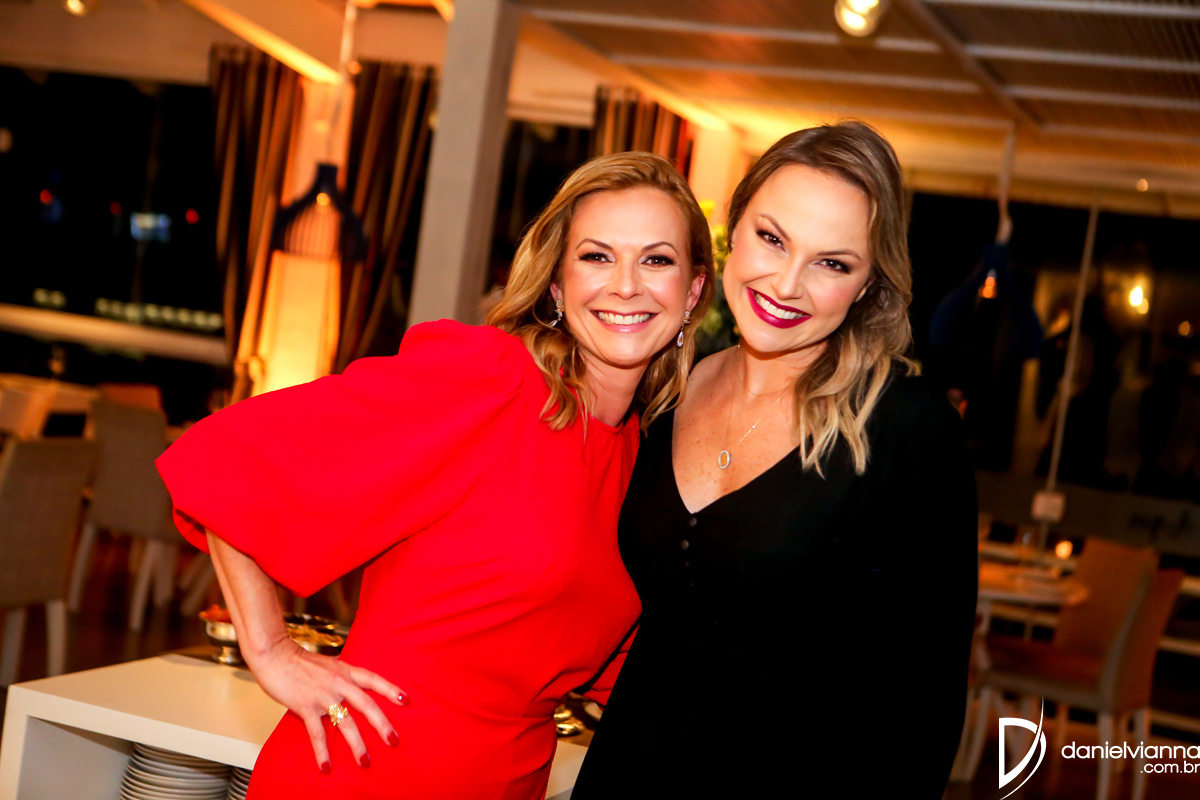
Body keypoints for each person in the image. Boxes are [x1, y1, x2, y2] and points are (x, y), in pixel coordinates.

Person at [156, 151, 713, 799]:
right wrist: (272, 651)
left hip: (511, 780)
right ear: (557, 287)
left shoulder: (642, 456)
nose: (625, 285)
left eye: (656, 260)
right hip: (370, 771)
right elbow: (226, 460)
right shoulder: (493, 382)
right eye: (596, 256)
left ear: (692, 291)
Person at [572, 122, 978, 798]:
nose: (787, 284)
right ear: (734, 228)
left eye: (832, 264)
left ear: (868, 285)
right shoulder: (666, 387)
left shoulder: (909, 428)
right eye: (773, 238)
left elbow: (926, 702)